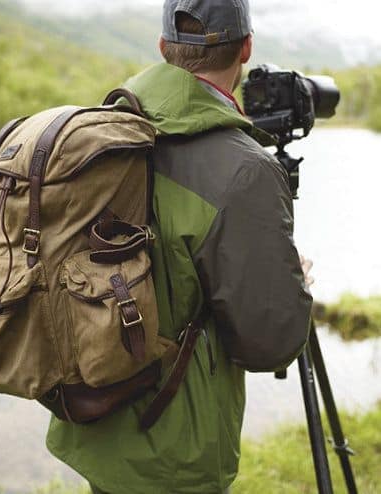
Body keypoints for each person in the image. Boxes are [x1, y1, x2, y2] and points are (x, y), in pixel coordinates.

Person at [46, 1, 313, 493]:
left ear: (164, 48)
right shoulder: (243, 168)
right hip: (172, 444)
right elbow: (271, 342)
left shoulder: (109, 126)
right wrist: (286, 276)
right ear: (247, 48)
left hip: (94, 412)